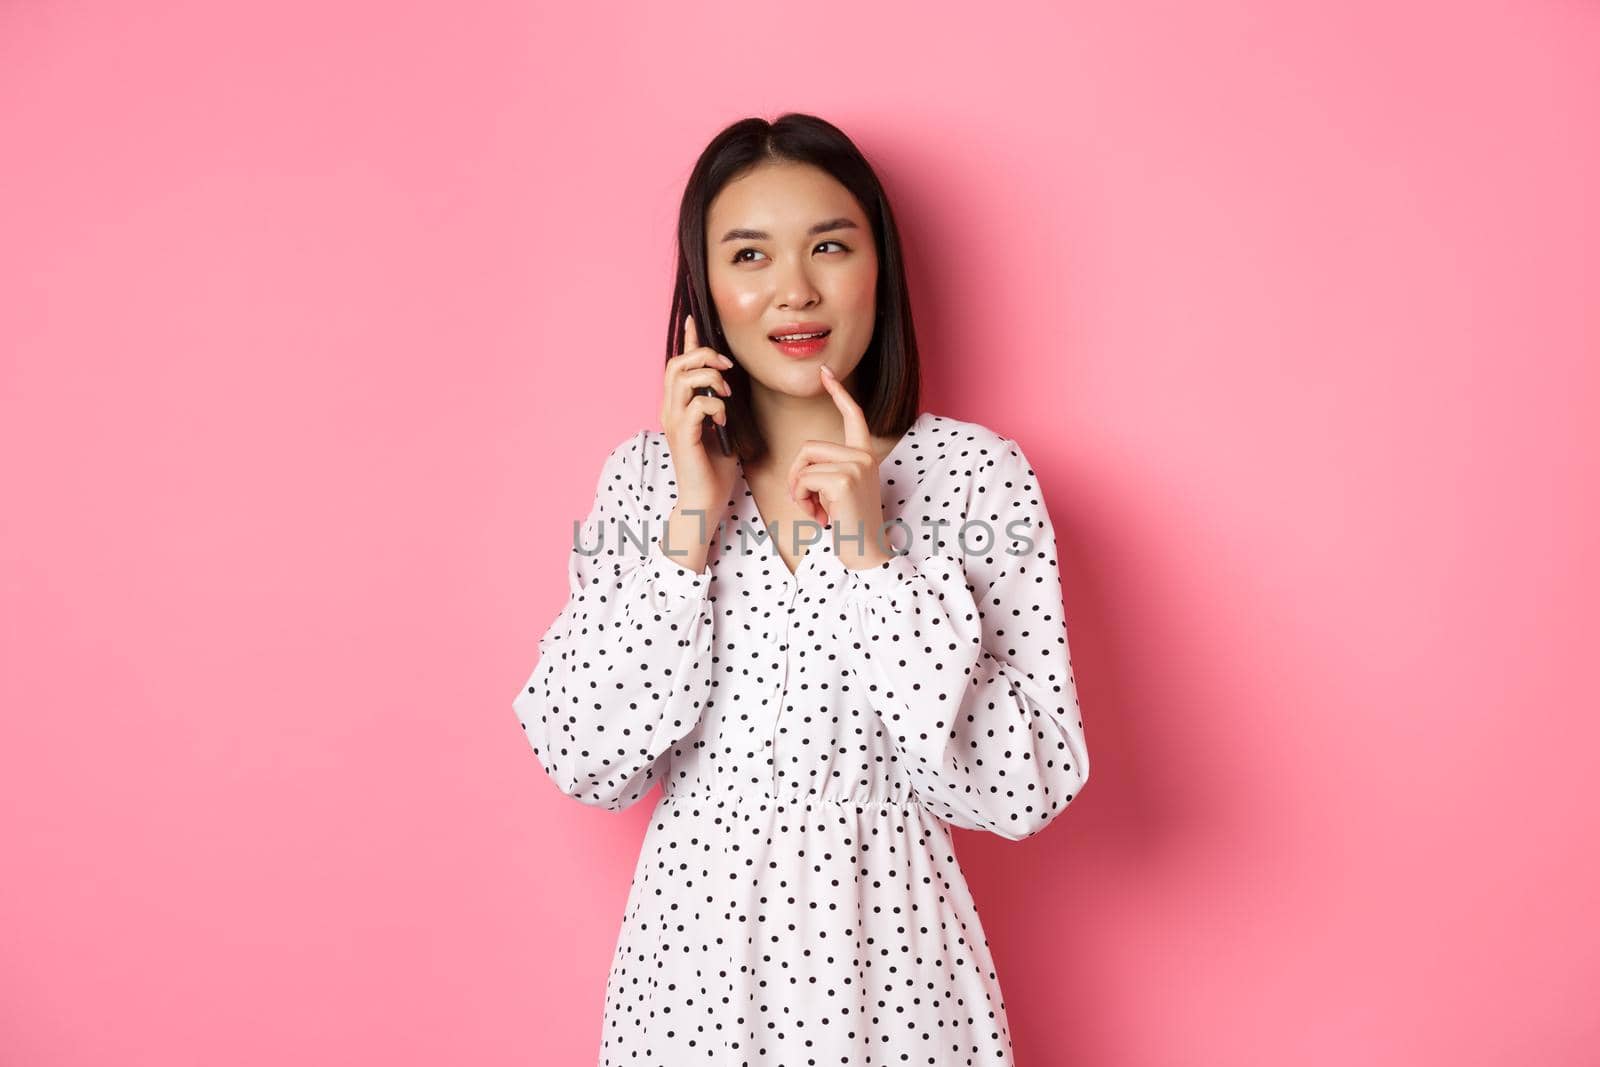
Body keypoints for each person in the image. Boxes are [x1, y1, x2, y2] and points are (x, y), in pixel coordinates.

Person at [512, 112, 1091, 1066]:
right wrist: (690, 525)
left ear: (880, 267)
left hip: (895, 972)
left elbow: (1024, 787)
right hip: (687, 979)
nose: (794, 289)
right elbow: (587, 757)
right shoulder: (644, 483)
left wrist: (873, 558)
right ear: (706, 288)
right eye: (749, 254)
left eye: (829, 244)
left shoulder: (973, 477)